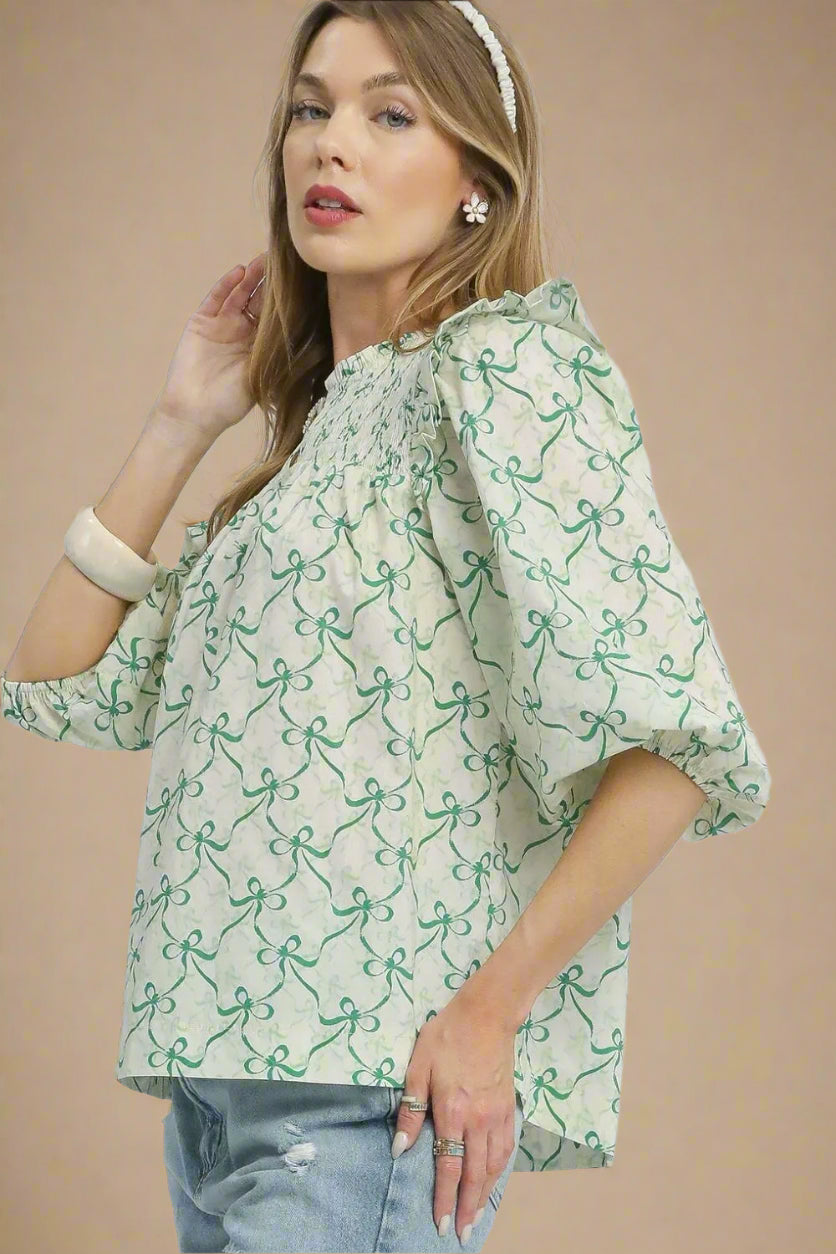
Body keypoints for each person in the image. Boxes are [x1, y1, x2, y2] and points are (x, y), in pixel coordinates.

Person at [0, 3, 771, 1252]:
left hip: (367, 1094)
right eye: (310, 108)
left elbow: (676, 740)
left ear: (478, 181)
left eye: (390, 113)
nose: (330, 143)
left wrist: (489, 1013)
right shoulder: (303, 462)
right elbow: (50, 674)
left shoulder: (504, 371)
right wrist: (182, 420)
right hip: (223, 1088)